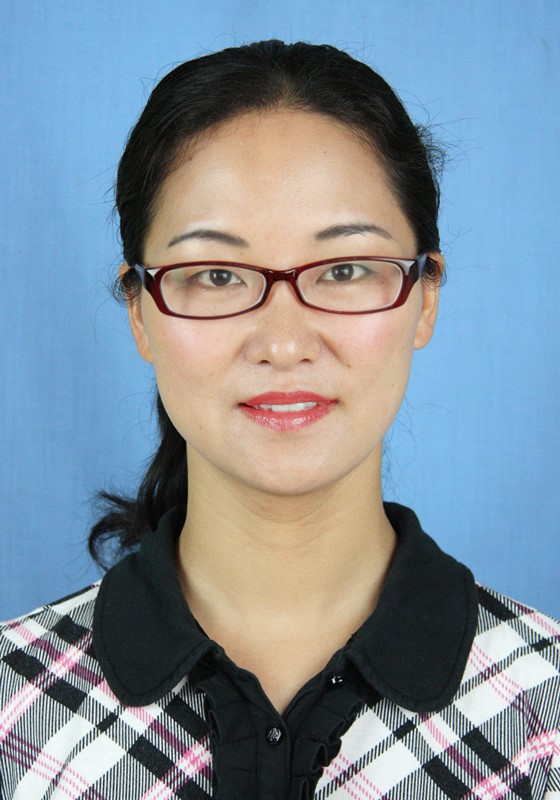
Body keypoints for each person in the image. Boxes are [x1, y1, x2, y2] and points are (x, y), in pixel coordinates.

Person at [1, 39, 558, 800]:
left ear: (426, 297)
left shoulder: (544, 710)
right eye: (216, 275)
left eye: (345, 269)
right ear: (139, 313)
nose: (285, 342)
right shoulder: (16, 708)